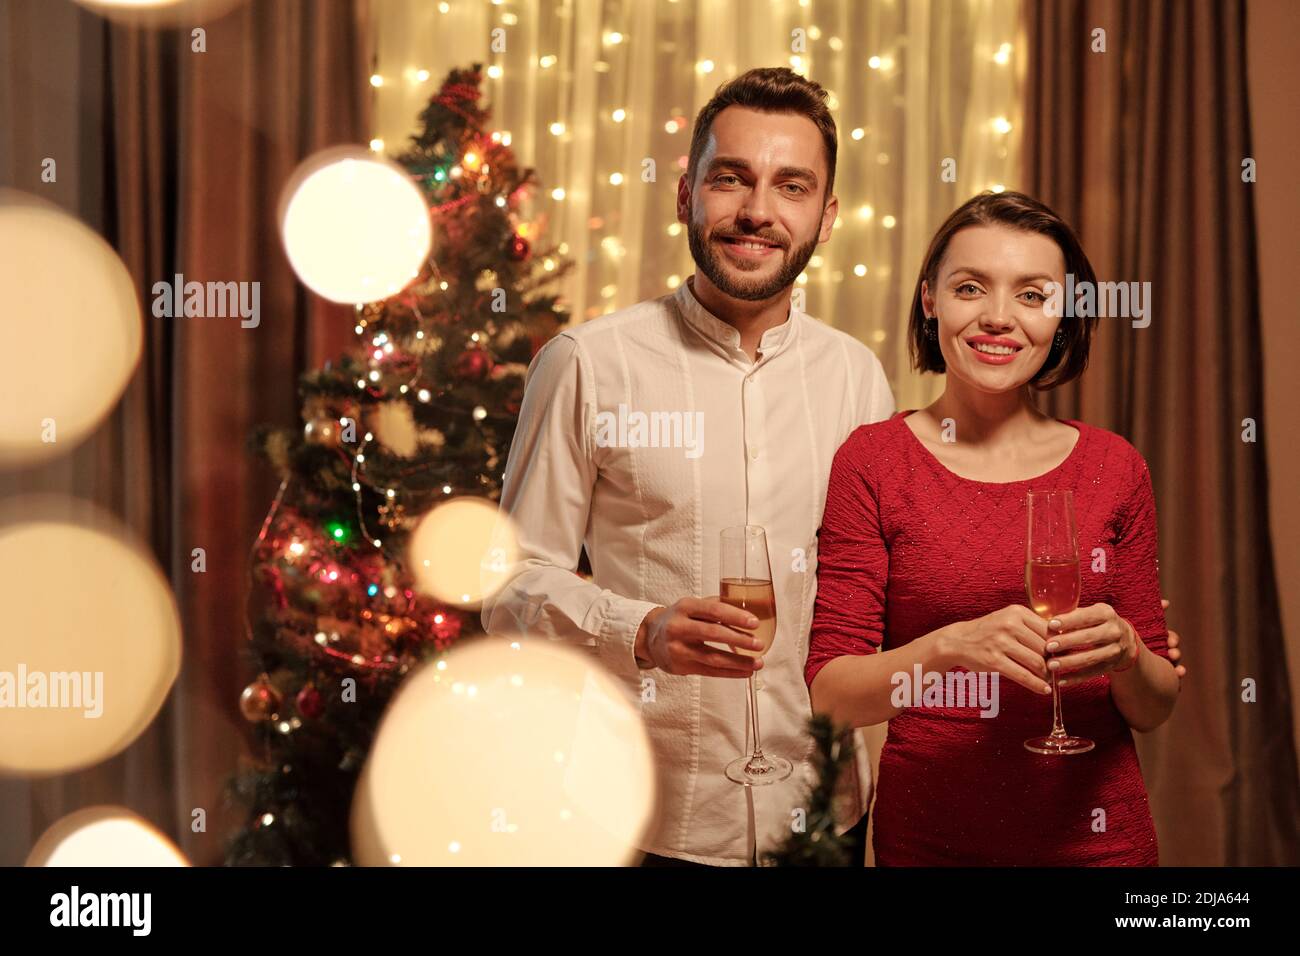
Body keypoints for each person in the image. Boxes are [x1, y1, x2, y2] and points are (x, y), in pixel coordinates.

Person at [482, 67, 894, 865]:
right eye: (730, 178)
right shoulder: (586, 364)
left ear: (827, 214)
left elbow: (889, 581)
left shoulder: (857, 378)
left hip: (824, 816)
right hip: (648, 820)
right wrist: (641, 628)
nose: (757, 212)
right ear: (685, 195)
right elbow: (508, 584)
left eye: (792, 186)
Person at [806, 190, 1182, 865]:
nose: (999, 318)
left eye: (1033, 296)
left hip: (1097, 844)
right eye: (971, 287)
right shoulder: (874, 462)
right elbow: (832, 698)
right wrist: (951, 645)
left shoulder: (1114, 467)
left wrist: (1127, 648)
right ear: (930, 300)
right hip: (933, 840)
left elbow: (1154, 708)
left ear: (1064, 316)